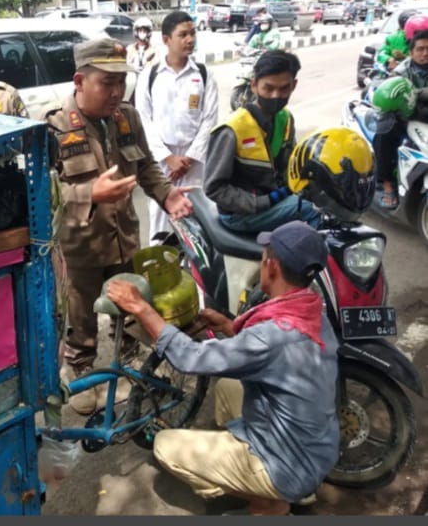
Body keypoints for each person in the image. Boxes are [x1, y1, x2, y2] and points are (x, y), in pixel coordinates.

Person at [105, 220, 339, 516]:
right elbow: (273, 355)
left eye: (264, 256)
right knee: (229, 386)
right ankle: (276, 484)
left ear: (273, 267)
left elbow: (191, 358)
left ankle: (270, 503)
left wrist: (140, 307)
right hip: (318, 446)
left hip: (288, 465)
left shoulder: (272, 336)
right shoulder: (311, 311)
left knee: (165, 445)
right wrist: (230, 327)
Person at [44, 37, 194, 414]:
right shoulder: (52, 127)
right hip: (80, 246)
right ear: (79, 81)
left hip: (124, 237)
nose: (115, 92)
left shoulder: (127, 117)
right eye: (105, 83)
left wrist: (167, 195)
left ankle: (127, 365)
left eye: (120, 82)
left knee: (127, 308)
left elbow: (144, 166)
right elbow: (42, 193)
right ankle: (78, 372)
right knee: (80, 320)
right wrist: (88, 194)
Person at [204, 50, 320, 233]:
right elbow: (214, 188)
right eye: (269, 88)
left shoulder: (285, 119)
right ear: (254, 86)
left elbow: (292, 164)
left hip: (275, 200)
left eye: (284, 89)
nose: (276, 96)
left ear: (294, 85)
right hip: (240, 214)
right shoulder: (232, 129)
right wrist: (263, 202)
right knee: (313, 211)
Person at [135, 10, 218, 244]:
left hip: (194, 160)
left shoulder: (203, 74)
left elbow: (209, 118)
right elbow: (143, 120)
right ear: (166, 40)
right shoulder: (150, 75)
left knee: (195, 211)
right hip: (161, 159)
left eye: (192, 33)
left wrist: (189, 158)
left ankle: (193, 265)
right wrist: (167, 157)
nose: (190, 39)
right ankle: (160, 262)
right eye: (183, 34)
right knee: (161, 210)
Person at [372, 25, 428, 208]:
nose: (425, 53)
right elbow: (395, 98)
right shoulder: (401, 73)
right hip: (402, 116)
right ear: (411, 53)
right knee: (385, 135)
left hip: (424, 115)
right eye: (420, 49)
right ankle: (387, 184)